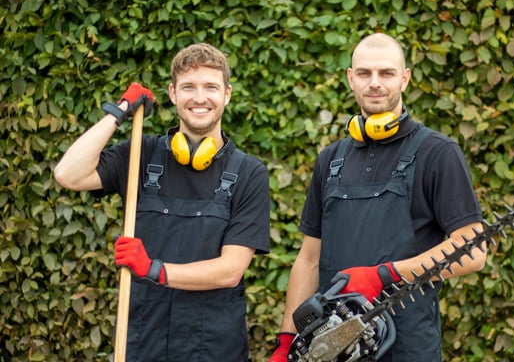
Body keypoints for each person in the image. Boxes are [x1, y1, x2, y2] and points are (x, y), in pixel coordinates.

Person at [269, 33, 487, 361]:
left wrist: (384, 274)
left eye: (386, 73)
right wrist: (287, 339)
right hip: (333, 348)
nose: (375, 83)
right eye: (364, 73)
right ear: (350, 78)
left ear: (405, 78)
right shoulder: (331, 159)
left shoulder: (437, 152)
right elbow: (309, 259)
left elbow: (473, 250)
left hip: (406, 347)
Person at [54, 43, 271, 361]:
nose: (199, 98)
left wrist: (153, 269)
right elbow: (68, 174)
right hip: (144, 341)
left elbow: (230, 270)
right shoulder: (142, 154)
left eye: (210, 87)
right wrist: (119, 113)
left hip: (214, 347)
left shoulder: (249, 172)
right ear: (172, 93)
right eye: (188, 87)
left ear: (227, 94)